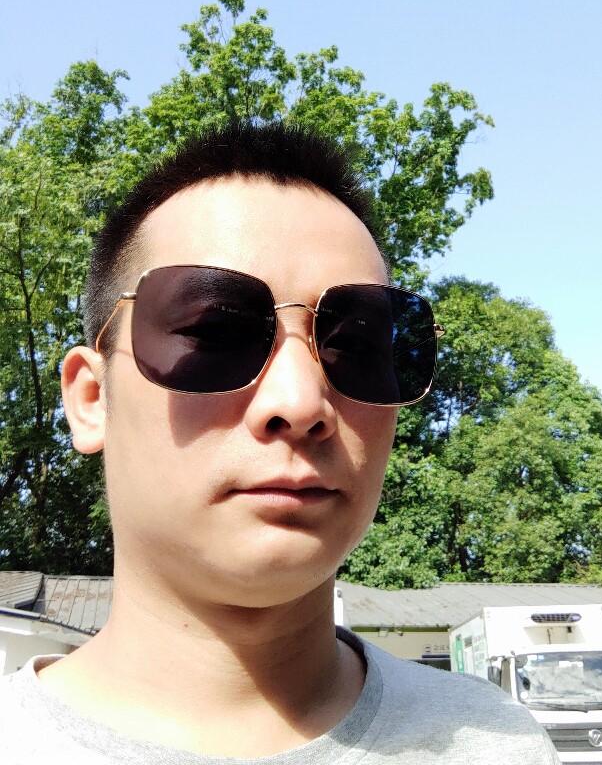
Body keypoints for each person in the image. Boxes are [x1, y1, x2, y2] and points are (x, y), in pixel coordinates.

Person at [0, 122, 560, 763]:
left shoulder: (497, 743)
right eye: (214, 333)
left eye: (358, 346)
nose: (299, 402)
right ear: (91, 399)